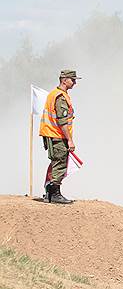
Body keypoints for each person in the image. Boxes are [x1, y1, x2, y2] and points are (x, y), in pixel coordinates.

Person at [38, 70, 80, 204]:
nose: (75, 83)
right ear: (64, 80)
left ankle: (49, 194)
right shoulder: (60, 97)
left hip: (52, 134)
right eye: (72, 80)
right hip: (57, 135)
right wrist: (70, 140)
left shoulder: (54, 94)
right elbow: (62, 121)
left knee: (55, 162)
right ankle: (54, 194)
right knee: (60, 163)